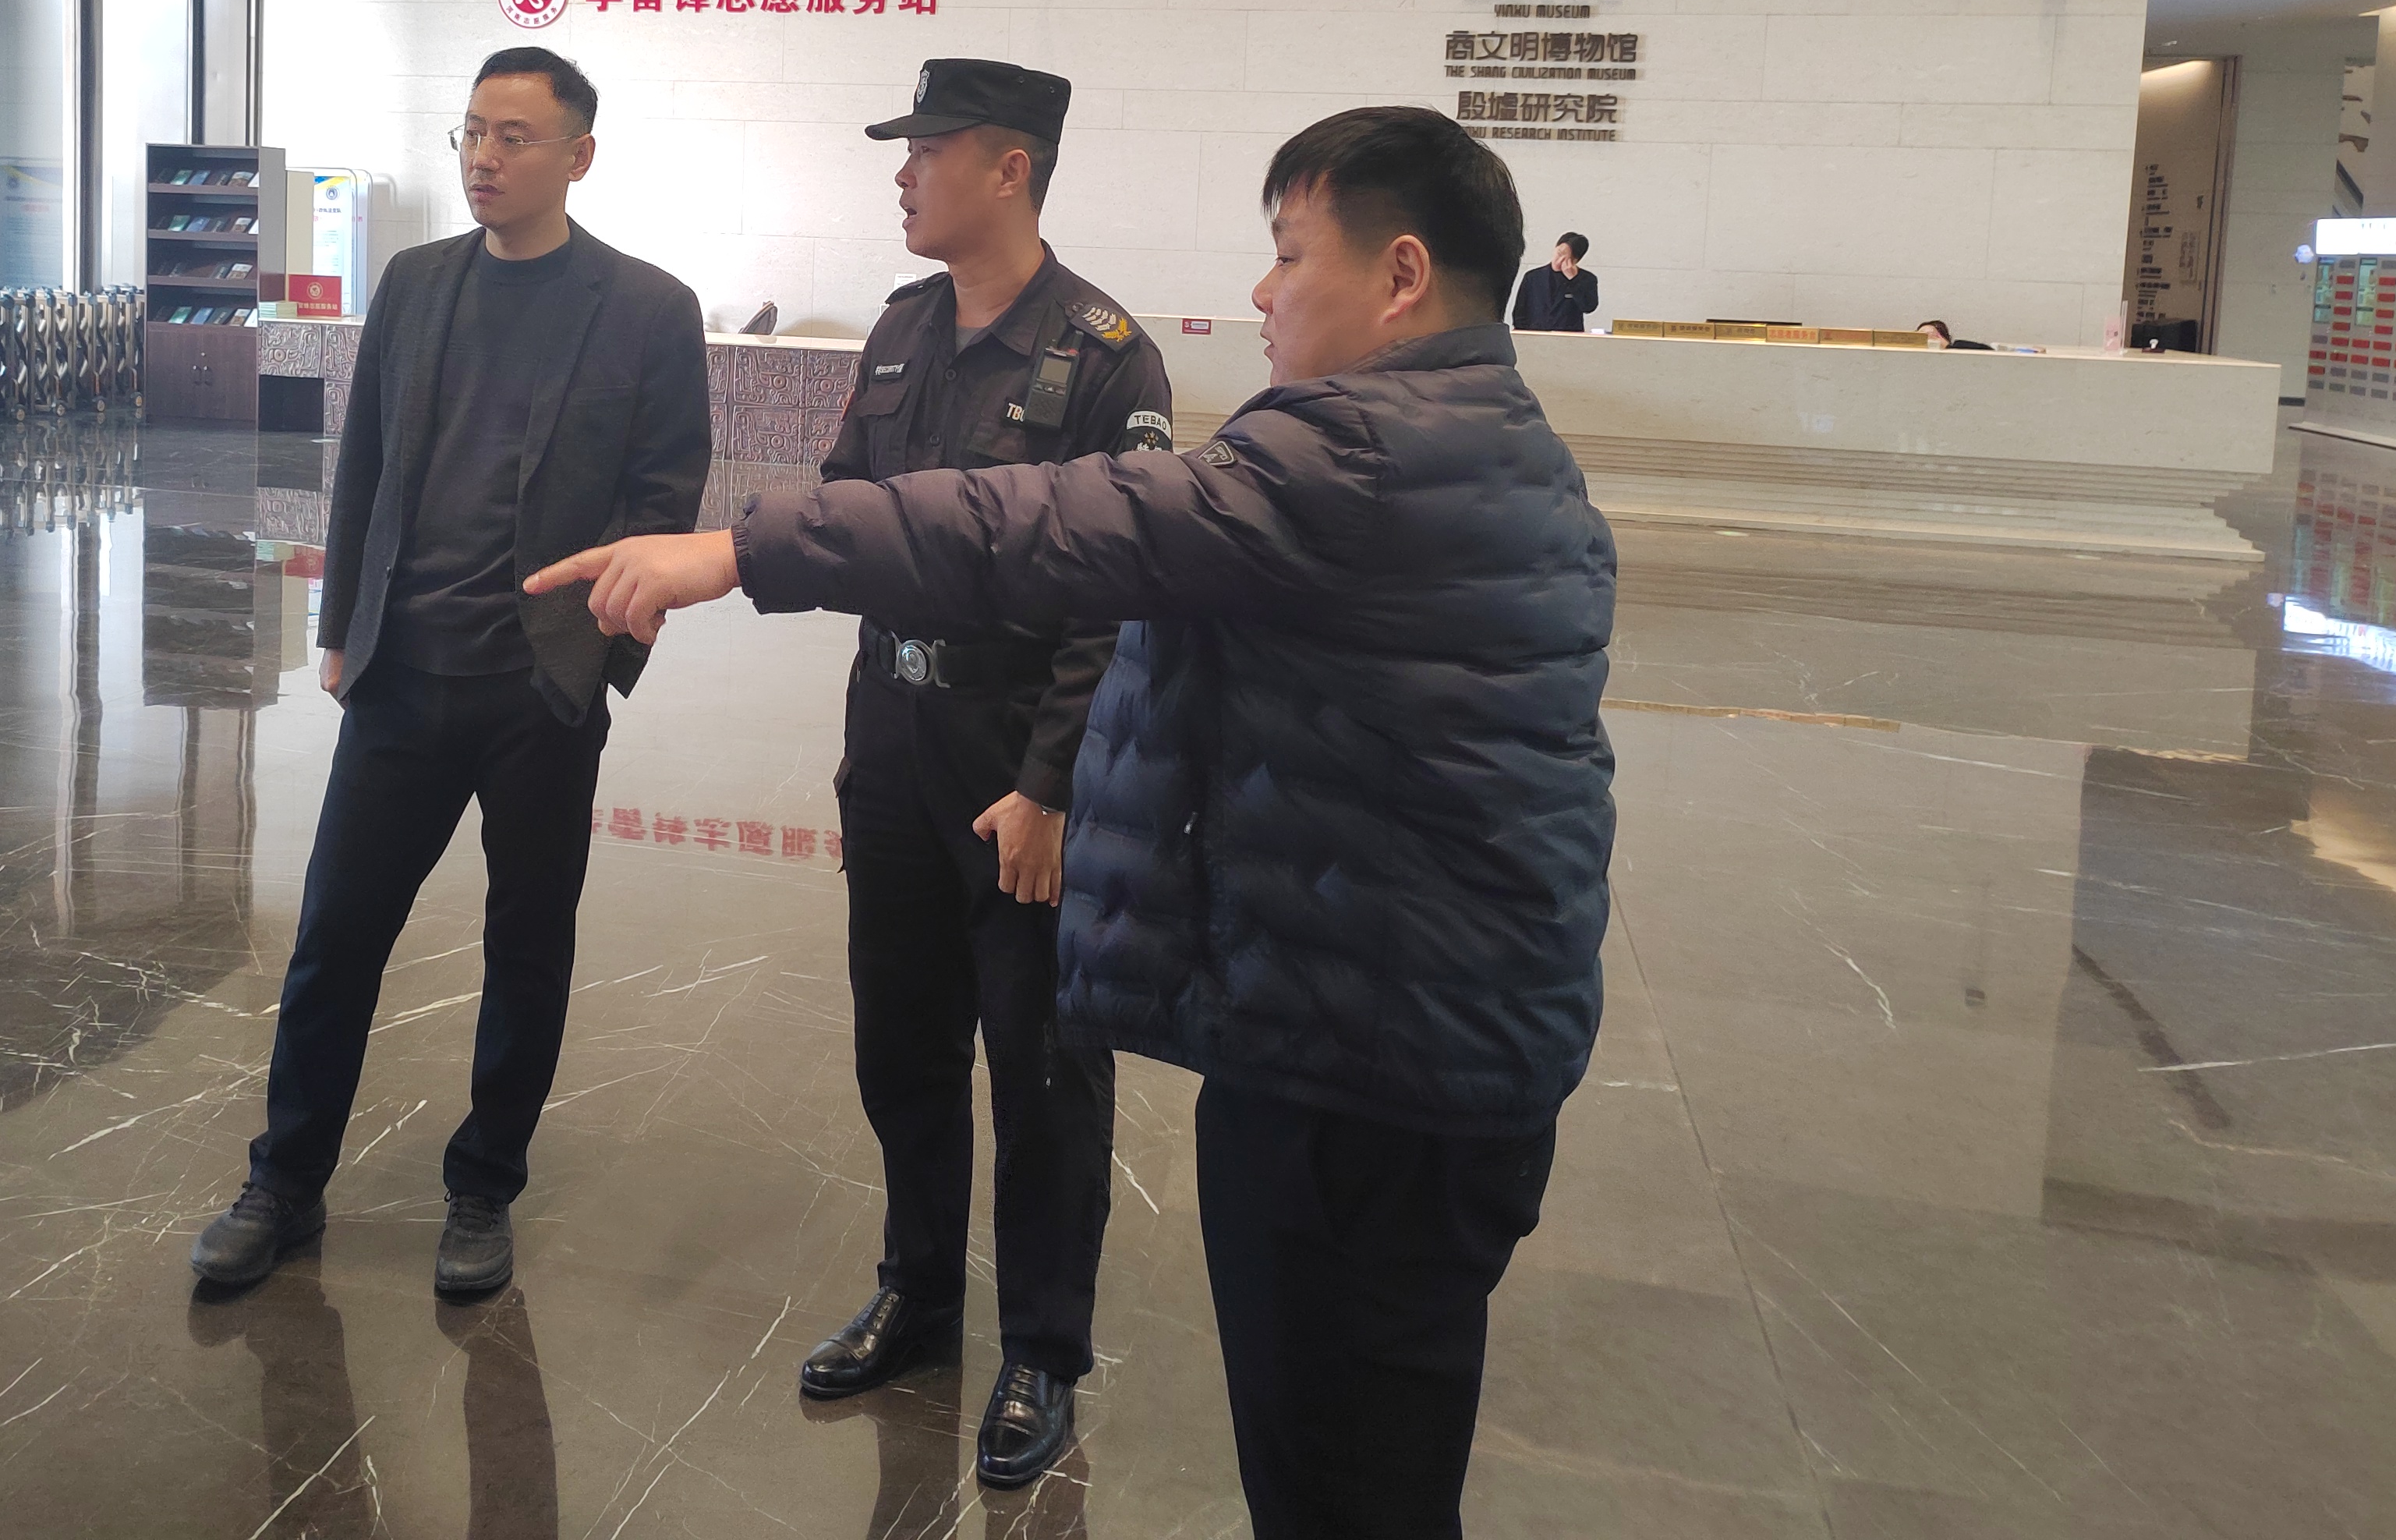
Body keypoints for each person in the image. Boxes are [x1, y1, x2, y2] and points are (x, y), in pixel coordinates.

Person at [529, 106, 1616, 1540]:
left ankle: (1041, 1343)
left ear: (1401, 274)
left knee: (1335, 1463)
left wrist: (738, 547)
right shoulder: (1492, 441)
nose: (1262, 290)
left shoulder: (1350, 452)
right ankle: (920, 1288)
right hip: (1418, 1026)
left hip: (1366, 1072)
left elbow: (1049, 526)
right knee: (1373, 1455)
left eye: (1289, 254)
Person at [191, 47, 711, 1300]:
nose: (485, 157)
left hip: (540, 689)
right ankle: (286, 1180)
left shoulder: (646, 307)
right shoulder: (417, 284)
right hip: (401, 678)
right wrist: (341, 631)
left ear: (579, 156)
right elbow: (364, 463)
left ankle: (484, 1186)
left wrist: (599, 658)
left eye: (514, 137)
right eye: (472, 132)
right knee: (334, 938)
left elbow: (664, 494)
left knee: (526, 945)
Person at [794, 58, 1173, 1493]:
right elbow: (849, 506)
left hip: (1017, 761)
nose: (902, 174)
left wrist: (1051, 782)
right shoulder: (901, 327)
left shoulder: (1105, 354)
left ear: (1008, 168)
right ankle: (916, 1292)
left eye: (928, 150)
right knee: (900, 1041)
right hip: (892, 742)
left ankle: (1043, 1348)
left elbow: (1121, 593)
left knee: (1041, 1064)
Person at [1509, 229, 1597, 332]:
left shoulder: (1586, 279)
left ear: (1575, 261)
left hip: (1568, 337)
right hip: (1536, 334)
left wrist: (1574, 281)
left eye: (1567, 259)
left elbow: (1588, 307)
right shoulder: (1533, 277)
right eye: (1559, 253)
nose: (1559, 261)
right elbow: (1520, 311)